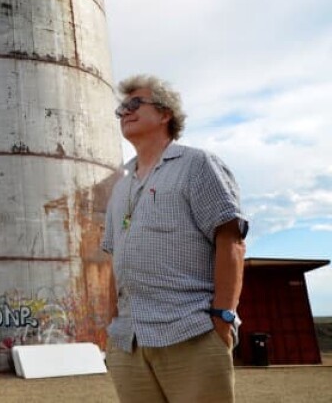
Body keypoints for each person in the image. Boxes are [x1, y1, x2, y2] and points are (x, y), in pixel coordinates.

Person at [101, 75, 248, 403]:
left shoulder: (197, 165)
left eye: (135, 103)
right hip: (129, 341)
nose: (125, 111)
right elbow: (114, 259)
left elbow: (231, 240)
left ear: (165, 113)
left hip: (189, 330)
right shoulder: (121, 187)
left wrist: (223, 317)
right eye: (121, 108)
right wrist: (111, 327)